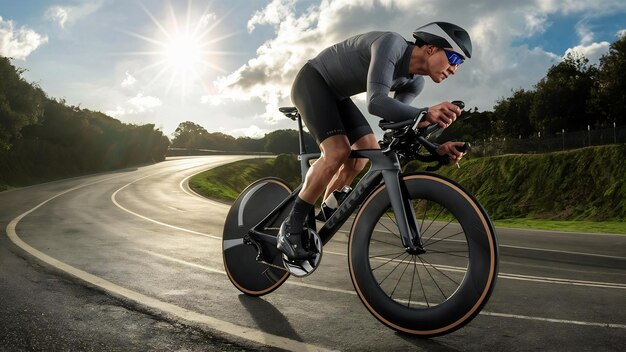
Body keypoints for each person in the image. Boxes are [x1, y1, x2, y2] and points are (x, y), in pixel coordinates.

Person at [277, 22, 472, 260]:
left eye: (459, 64)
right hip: (313, 81)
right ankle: (291, 227)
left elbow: (399, 126)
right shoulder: (392, 44)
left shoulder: (415, 83)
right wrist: (426, 112)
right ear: (431, 48)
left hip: (337, 96)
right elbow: (376, 102)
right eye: (454, 58)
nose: (454, 69)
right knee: (337, 152)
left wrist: (436, 149)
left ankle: (323, 214)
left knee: (365, 154)